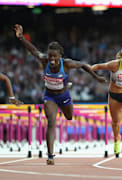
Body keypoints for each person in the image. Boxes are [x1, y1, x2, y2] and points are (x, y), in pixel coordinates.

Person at [14, 24, 107, 164]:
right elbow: (33, 50)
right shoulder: (44, 60)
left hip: (63, 96)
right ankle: (50, 156)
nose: (51, 59)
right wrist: (21, 37)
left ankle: (68, 87)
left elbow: (82, 65)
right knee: (51, 122)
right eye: (50, 56)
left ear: (60, 56)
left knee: (69, 117)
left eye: (54, 57)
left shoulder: (67, 64)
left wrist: (97, 77)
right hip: (49, 96)